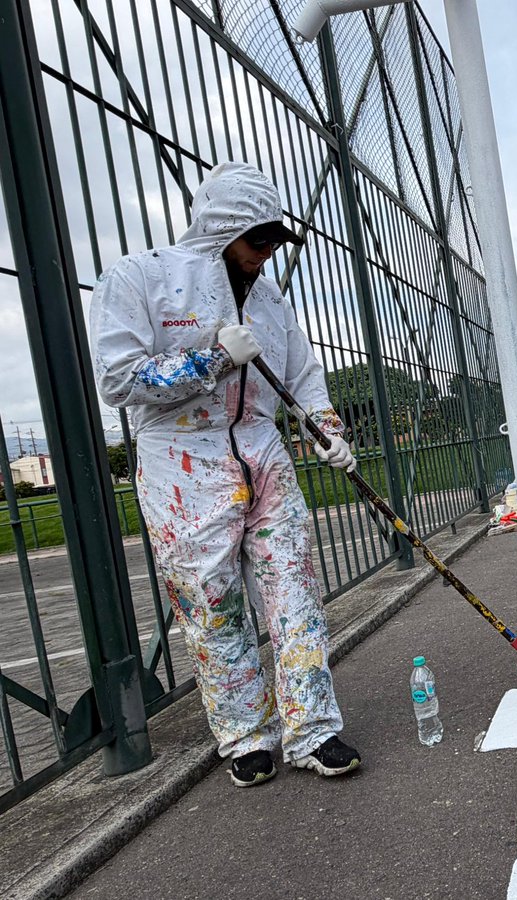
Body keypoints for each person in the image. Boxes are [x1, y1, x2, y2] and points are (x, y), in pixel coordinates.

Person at [89, 161, 361, 786]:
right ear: (220, 229)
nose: (265, 257)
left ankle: (313, 728)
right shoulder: (142, 277)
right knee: (212, 604)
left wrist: (329, 431)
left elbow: (302, 373)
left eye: (273, 242)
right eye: (256, 241)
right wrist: (211, 360)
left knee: (294, 591)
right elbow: (119, 379)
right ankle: (245, 735)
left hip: (263, 450)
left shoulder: (269, 299)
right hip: (181, 461)